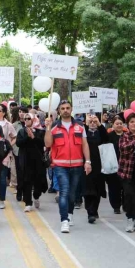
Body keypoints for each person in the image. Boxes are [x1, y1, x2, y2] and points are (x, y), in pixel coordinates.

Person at [44, 100, 92, 234]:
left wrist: (87, 161)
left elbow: (85, 145)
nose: (65, 110)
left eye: (67, 108)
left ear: (71, 109)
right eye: (62, 108)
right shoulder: (53, 126)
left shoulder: (80, 126)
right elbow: (48, 144)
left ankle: (69, 214)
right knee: (64, 192)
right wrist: (47, 128)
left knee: (72, 194)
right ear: (59, 111)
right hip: (60, 165)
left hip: (77, 165)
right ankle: (64, 220)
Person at [16, 112, 47, 213]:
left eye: (29, 118)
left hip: (38, 161)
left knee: (38, 182)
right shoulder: (21, 131)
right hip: (26, 160)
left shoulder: (40, 131)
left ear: (33, 119)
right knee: (26, 182)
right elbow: (18, 143)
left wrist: (33, 137)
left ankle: (36, 196)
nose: (27, 120)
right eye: (25, 119)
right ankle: (28, 203)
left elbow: (43, 143)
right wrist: (27, 137)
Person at [82, 114, 109, 223]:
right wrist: (86, 124)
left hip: (99, 164)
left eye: (95, 121)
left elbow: (106, 139)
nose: (93, 123)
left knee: (97, 189)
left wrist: (99, 124)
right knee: (88, 189)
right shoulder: (84, 132)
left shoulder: (100, 132)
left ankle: (94, 209)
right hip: (86, 163)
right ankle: (90, 212)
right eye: (91, 121)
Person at [0, 104, 17, 210]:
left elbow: (14, 137)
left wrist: (8, 146)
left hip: (4, 155)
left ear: (3, 113)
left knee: (2, 178)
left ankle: (2, 199)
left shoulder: (8, 125)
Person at [106, 117, 125, 214]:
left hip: (125, 166)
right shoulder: (109, 136)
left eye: (121, 123)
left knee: (125, 187)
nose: (119, 125)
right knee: (114, 187)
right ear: (113, 125)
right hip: (112, 165)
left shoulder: (127, 136)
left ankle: (125, 204)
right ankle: (116, 206)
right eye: (117, 123)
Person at [10, 103, 25, 200]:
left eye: (24, 112)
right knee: (19, 172)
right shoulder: (15, 125)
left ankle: (26, 192)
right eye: (20, 112)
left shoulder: (32, 123)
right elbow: (11, 137)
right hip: (17, 151)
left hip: (29, 152)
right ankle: (19, 191)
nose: (22, 114)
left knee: (27, 173)